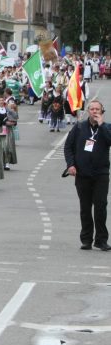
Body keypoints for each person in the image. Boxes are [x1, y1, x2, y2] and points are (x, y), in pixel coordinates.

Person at [63, 99, 111, 251]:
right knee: (85, 208)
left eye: (98, 109)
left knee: (100, 207)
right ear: (88, 111)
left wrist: (102, 125)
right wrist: (71, 165)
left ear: (102, 112)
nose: (95, 112)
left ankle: (101, 240)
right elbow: (68, 147)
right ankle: (86, 239)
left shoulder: (107, 127)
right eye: (92, 109)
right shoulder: (79, 127)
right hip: (83, 174)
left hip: (101, 174)